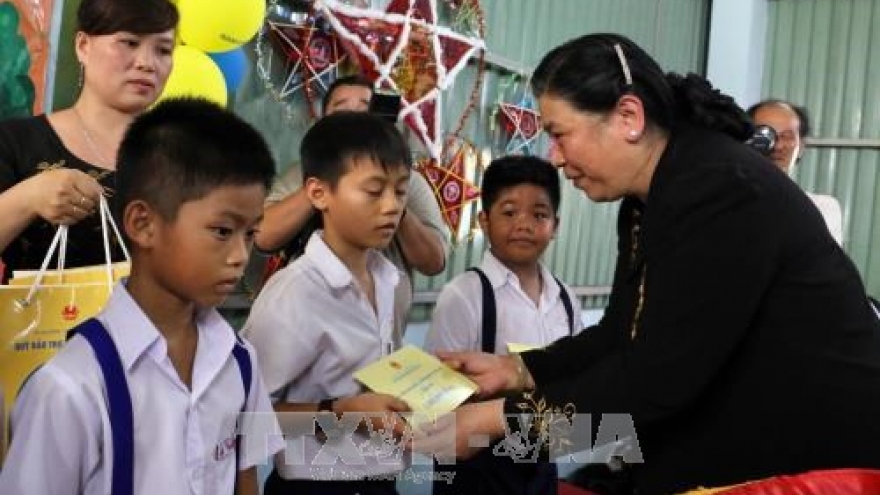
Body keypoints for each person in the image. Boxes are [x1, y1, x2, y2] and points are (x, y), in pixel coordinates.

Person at [413, 33, 880, 495]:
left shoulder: (721, 190)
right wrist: (517, 371)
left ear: (628, 117)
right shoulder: (649, 198)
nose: (554, 157)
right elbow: (622, 335)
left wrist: (495, 421)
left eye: (559, 134)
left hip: (802, 467)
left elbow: (653, 382)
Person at [0, 98, 285, 494]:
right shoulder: (71, 387)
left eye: (250, 234)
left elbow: (245, 479)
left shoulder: (240, 360)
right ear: (143, 224)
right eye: (222, 231)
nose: (239, 256)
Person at [242, 111, 414, 495]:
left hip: (382, 481)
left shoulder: (389, 280)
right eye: (374, 191)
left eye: (400, 192)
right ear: (319, 193)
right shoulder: (294, 294)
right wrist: (339, 414)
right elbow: (248, 414)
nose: (392, 206)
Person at [425, 155, 582, 495]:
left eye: (539, 214)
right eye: (509, 212)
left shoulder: (567, 299)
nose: (524, 224)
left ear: (555, 225)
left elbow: (576, 382)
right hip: (476, 465)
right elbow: (438, 399)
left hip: (541, 461)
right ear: (484, 220)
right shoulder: (463, 295)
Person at [255, 75, 449, 344]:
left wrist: (391, 195)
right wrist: (329, 179)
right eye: (342, 108)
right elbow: (263, 235)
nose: (355, 116)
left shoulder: (409, 182)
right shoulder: (290, 294)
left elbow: (434, 261)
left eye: (364, 107)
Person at [0, 0, 178, 281]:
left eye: (163, 50)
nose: (146, 63)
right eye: (129, 43)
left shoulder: (185, 158)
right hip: (39, 322)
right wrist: (28, 198)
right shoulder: (15, 141)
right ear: (83, 46)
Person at [747, 99, 844, 245]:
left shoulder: (823, 209)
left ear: (801, 147)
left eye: (787, 136)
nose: (777, 146)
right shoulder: (721, 202)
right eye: (765, 136)